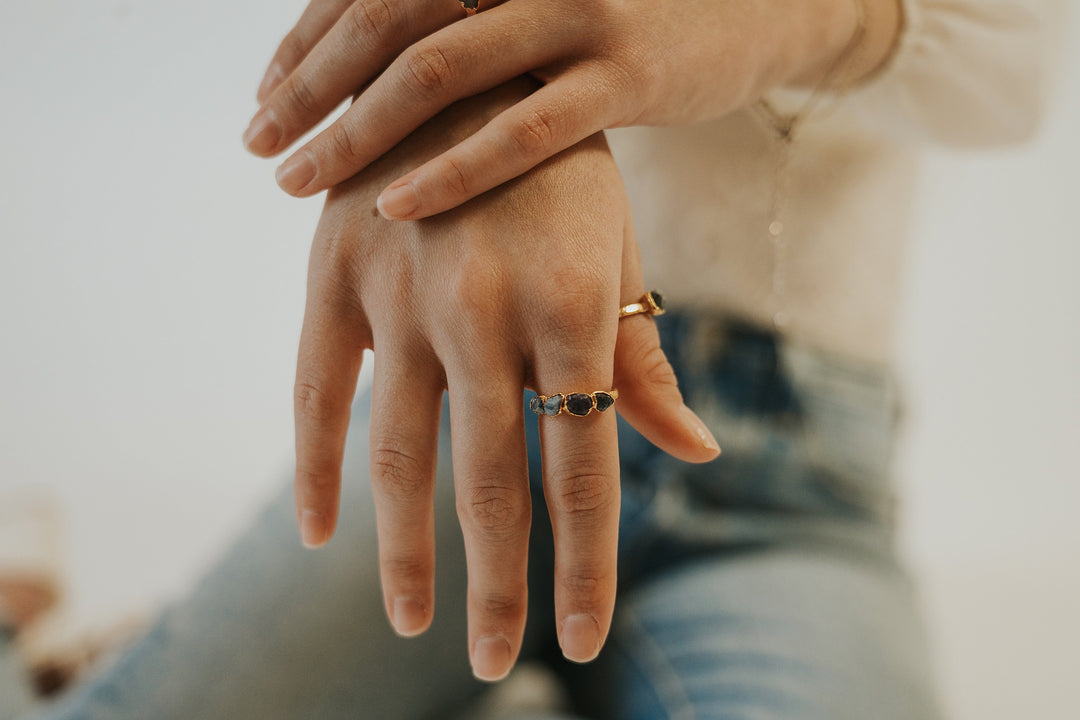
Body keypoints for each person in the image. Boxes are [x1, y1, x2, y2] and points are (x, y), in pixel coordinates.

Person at [0, 0, 1046, 717]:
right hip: (463, 414)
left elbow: (1019, 66)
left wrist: (756, 19)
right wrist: (473, 80)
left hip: (782, 481)